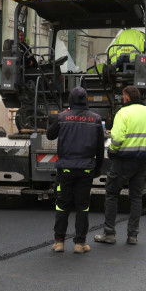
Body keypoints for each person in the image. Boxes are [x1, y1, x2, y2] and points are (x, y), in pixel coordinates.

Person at [95, 85, 146, 245]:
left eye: (123, 97)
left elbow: (117, 137)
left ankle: (109, 233)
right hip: (144, 160)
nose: (122, 100)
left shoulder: (124, 112)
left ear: (127, 97)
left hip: (124, 159)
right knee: (136, 197)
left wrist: (112, 151)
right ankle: (132, 235)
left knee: (111, 194)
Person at [47, 86, 105, 253]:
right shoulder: (95, 119)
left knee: (62, 205)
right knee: (83, 206)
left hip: (65, 169)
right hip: (86, 170)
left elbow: (50, 135)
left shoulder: (62, 117)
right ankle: (80, 243)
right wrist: (98, 168)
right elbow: (100, 148)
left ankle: (59, 242)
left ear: (70, 100)